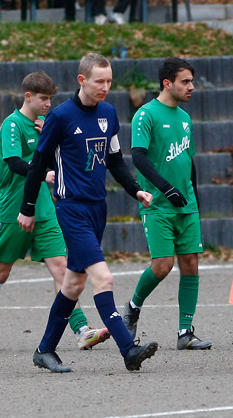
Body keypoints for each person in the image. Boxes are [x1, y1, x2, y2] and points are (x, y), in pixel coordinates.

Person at [19, 53, 159, 373]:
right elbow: (38, 164)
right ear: (82, 80)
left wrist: (134, 188)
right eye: (99, 81)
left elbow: (114, 160)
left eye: (109, 81)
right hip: (71, 209)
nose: (106, 87)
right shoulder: (61, 117)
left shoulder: (109, 113)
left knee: (72, 285)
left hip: (99, 209)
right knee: (103, 278)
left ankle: (44, 350)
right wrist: (27, 207)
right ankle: (129, 348)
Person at [0, 71, 110, 354]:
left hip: (45, 208)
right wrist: (44, 172)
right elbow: (12, 162)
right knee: (1, 271)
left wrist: (49, 138)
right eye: (43, 99)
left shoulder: (45, 125)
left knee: (63, 268)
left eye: (51, 99)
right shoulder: (12, 125)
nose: (48, 104)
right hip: (13, 209)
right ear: (28, 96)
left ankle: (82, 330)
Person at [120, 58, 211, 351]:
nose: (191, 87)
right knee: (162, 266)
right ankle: (133, 307)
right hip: (158, 204)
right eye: (185, 81)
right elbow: (139, 157)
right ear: (167, 83)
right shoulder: (145, 115)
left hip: (186, 205)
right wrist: (166, 188)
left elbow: (188, 160)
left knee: (191, 265)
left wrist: (193, 195)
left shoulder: (185, 118)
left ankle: (185, 331)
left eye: (191, 81)